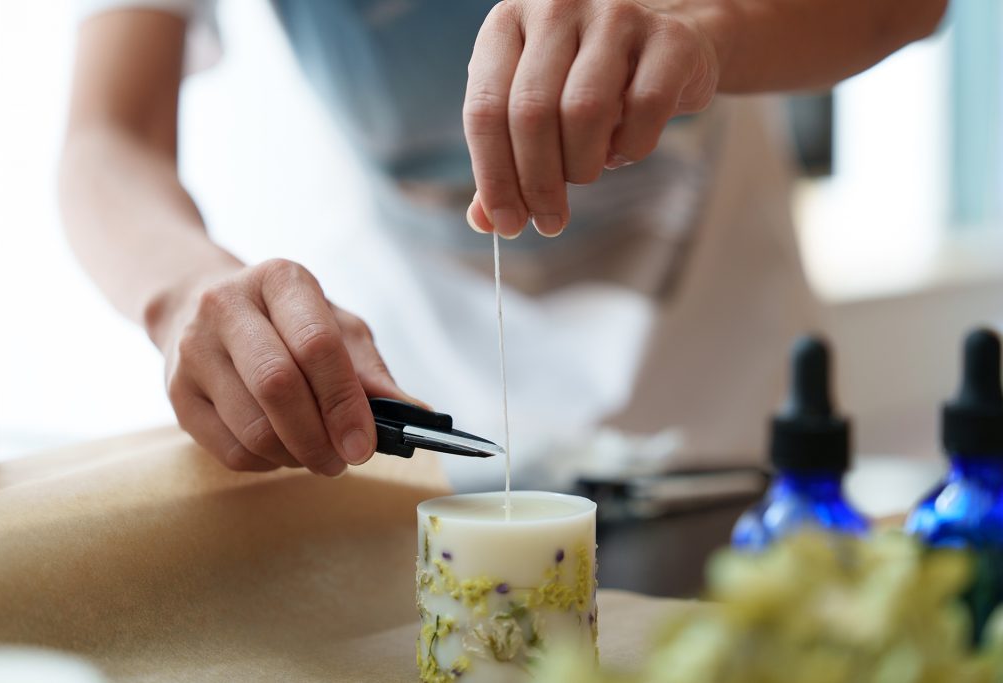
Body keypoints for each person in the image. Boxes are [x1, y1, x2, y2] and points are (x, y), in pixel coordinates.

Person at [61, 0, 947, 490]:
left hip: (724, 414)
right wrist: (183, 290)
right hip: (403, 420)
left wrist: (703, 35)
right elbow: (107, 138)